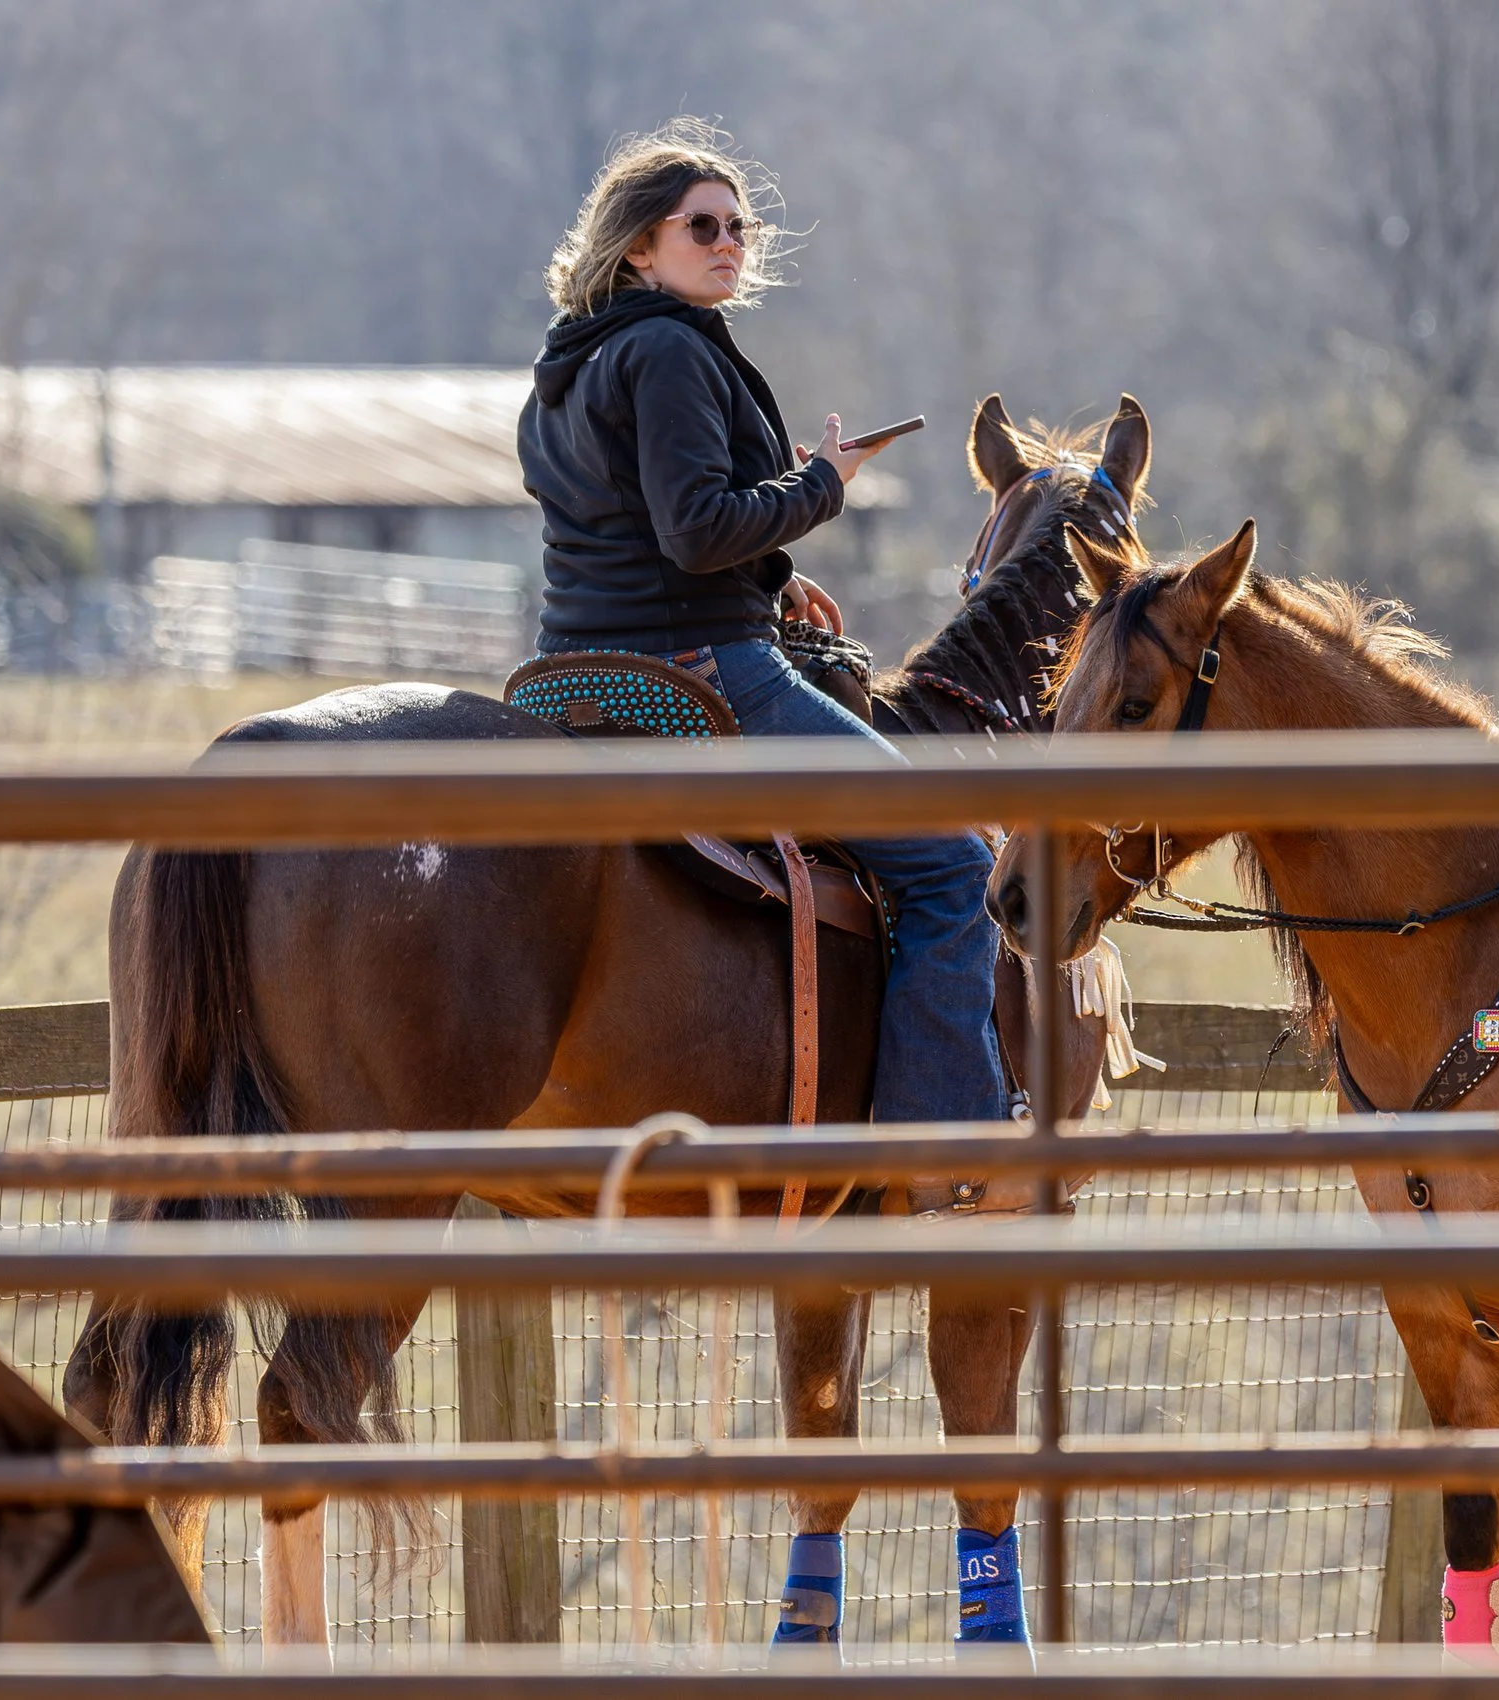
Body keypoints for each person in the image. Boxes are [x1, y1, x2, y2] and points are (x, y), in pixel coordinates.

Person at [516, 123, 1019, 1642]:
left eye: (736, 229)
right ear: (639, 248)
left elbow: (641, 537)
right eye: (703, 228)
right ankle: (945, 1150)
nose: (730, 248)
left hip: (571, 670)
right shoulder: (673, 352)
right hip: (699, 674)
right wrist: (819, 488)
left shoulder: (565, 365)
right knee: (950, 860)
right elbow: (695, 528)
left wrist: (761, 561)